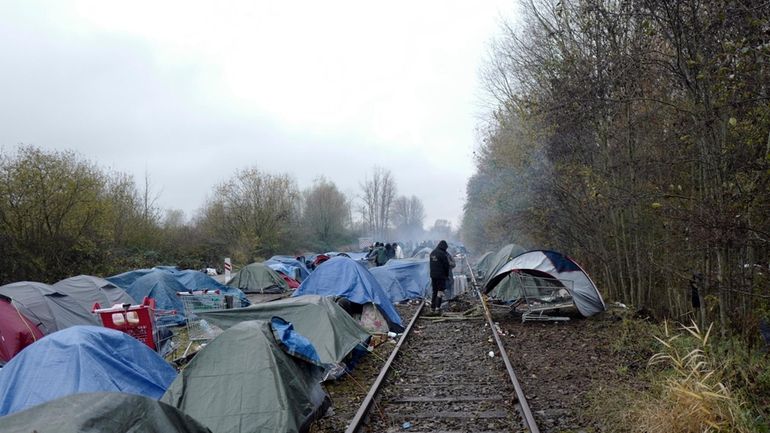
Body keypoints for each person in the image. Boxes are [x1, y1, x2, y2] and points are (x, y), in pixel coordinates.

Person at [429, 240, 451, 315]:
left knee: (434, 291)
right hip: (440, 276)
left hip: (433, 275)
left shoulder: (432, 253)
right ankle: (438, 308)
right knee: (440, 291)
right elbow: (446, 266)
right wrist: (447, 275)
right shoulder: (442, 254)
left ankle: (432, 308)